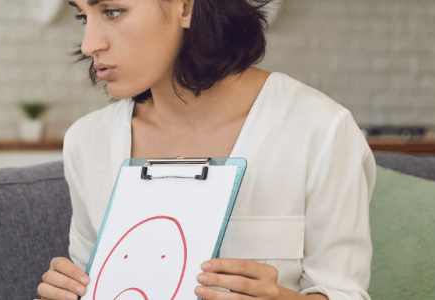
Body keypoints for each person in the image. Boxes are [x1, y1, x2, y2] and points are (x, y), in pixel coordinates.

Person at [37, 0, 375, 300]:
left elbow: (344, 292)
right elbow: (90, 280)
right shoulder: (87, 142)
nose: (89, 44)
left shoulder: (320, 130)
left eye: (112, 12)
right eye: (83, 17)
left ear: (185, 7)